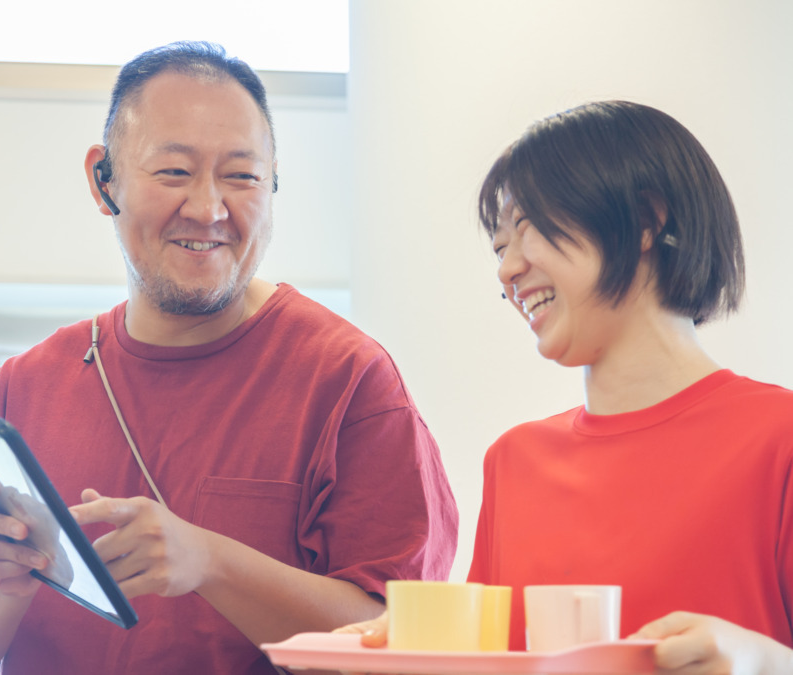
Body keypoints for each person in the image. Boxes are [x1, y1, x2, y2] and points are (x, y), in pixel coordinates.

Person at [0, 41, 457, 674]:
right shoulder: (21, 390)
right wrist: (1, 576)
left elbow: (411, 648)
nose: (209, 209)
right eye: (173, 172)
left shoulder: (348, 380)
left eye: (242, 176)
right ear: (102, 180)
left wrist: (209, 562)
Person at [337, 101, 793, 673]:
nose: (506, 270)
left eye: (527, 230)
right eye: (500, 248)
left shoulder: (779, 438)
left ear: (647, 220)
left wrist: (768, 662)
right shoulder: (514, 461)